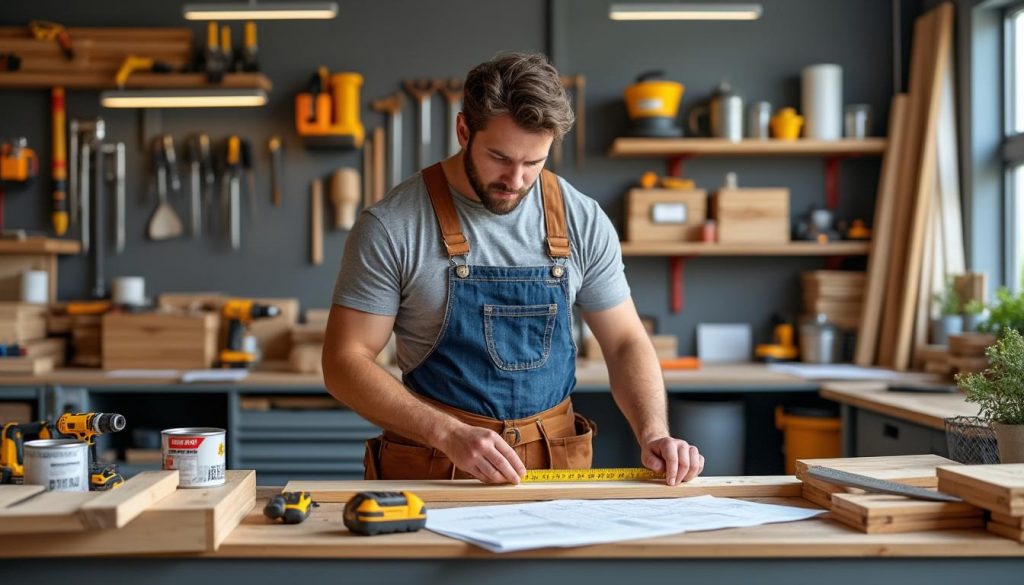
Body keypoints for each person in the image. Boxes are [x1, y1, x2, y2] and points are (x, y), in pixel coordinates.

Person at [323, 52, 704, 485]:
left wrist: (654, 431)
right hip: (437, 465)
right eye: (500, 157)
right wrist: (447, 433)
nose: (516, 180)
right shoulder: (393, 225)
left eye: (534, 162)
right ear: (463, 130)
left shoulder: (582, 219)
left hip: (556, 463)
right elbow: (344, 361)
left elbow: (624, 342)